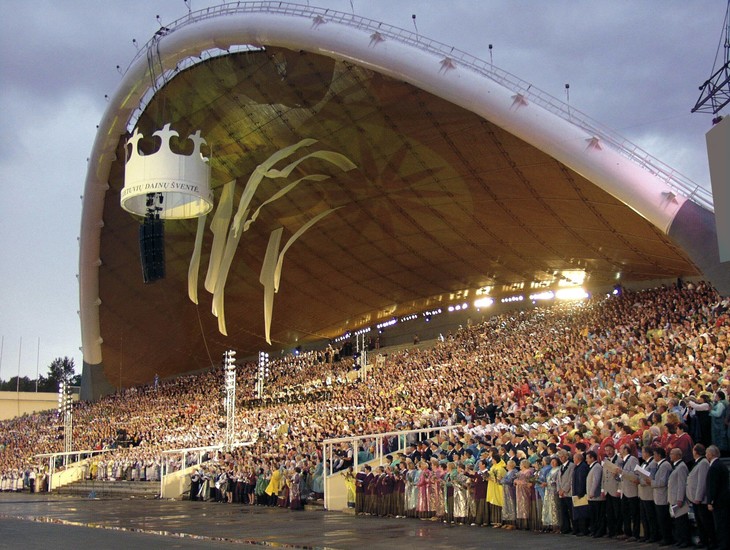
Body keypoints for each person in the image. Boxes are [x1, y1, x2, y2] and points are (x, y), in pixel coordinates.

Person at [686, 444, 715, 550]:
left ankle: (710, 541)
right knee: (699, 522)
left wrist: (698, 497)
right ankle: (703, 540)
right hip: (695, 498)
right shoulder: (698, 463)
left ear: (696, 451)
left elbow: (702, 482)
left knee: (705, 522)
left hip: (701, 500)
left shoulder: (703, 463)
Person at [648, 447, 674, 547]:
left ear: (659, 455)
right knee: (660, 518)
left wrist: (651, 482)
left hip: (662, 495)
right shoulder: (658, 465)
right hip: (658, 496)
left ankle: (667, 538)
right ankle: (664, 537)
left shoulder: (665, 465)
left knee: (664, 519)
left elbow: (663, 482)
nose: (653, 457)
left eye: (654, 454)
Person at [706, 444, 729, 550]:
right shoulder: (720, 465)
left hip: (719, 500)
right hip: (723, 498)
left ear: (711, 454)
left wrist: (710, 501)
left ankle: (722, 545)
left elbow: (712, 486)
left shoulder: (714, 467)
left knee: (720, 524)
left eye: (707, 453)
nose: (706, 455)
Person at [667, 448, 690, 547]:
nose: (670, 455)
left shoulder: (681, 467)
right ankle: (680, 539)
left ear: (678, 455)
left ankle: (685, 540)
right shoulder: (676, 466)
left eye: (672, 453)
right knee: (677, 521)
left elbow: (682, 483)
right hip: (673, 497)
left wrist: (680, 498)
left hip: (678, 498)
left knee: (682, 521)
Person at [635, 446, 659, 543]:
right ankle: (646, 534)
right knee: (644, 516)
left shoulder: (652, 464)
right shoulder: (644, 463)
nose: (642, 454)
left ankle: (653, 535)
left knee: (650, 516)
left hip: (648, 493)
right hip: (642, 493)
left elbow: (650, 478)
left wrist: (640, 481)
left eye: (643, 452)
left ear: (648, 453)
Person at [618, 443, 640, 541]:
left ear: (626, 449)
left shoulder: (633, 459)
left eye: (621, 448)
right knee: (625, 512)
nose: (619, 450)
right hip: (624, 490)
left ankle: (635, 534)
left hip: (631, 490)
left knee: (634, 513)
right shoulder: (622, 460)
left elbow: (635, 474)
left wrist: (622, 472)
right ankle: (627, 532)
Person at [601, 443, 623, 538]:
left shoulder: (619, 461)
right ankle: (611, 531)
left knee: (617, 511)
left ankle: (618, 530)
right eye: (606, 450)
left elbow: (622, 476)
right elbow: (603, 476)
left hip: (615, 488)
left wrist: (619, 489)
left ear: (614, 449)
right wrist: (602, 489)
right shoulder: (605, 461)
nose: (608, 452)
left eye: (610, 450)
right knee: (609, 512)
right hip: (607, 489)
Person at [585, 450, 605, 538]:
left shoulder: (597, 467)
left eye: (587, 458)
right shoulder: (592, 467)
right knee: (593, 514)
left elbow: (596, 481)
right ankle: (594, 530)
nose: (586, 460)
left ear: (592, 458)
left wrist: (592, 492)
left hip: (596, 496)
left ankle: (599, 531)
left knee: (598, 515)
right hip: (592, 496)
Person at [571, 451, 590, 536]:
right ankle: (579, 529)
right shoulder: (578, 467)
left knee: (582, 512)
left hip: (580, 493)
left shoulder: (582, 467)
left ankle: (584, 530)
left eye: (574, 458)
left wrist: (580, 492)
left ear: (578, 459)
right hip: (577, 492)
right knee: (578, 512)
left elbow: (581, 480)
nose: (573, 460)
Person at [557, 450, 575, 535]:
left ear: (566, 457)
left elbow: (570, 479)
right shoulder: (561, 467)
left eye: (562, 457)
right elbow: (558, 480)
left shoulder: (571, 466)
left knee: (571, 511)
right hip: (561, 493)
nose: (561, 458)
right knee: (563, 512)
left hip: (568, 492)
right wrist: (559, 490)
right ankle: (566, 528)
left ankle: (574, 527)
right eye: (560, 457)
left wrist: (564, 490)